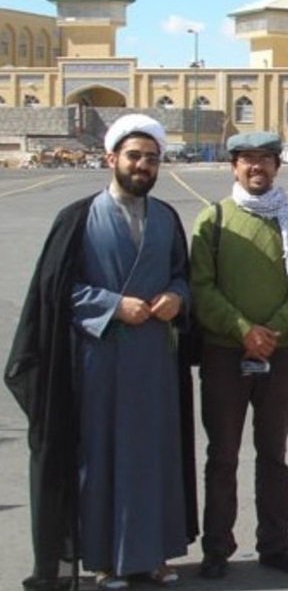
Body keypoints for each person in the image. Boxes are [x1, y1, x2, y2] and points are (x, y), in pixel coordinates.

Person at [5, 114, 198, 590]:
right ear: (112, 159)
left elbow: (182, 274)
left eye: (151, 158)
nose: (143, 165)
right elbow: (54, 291)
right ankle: (106, 559)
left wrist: (177, 296)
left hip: (153, 360)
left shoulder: (167, 218)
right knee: (103, 458)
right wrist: (112, 305)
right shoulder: (77, 217)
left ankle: (152, 555)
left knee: (154, 457)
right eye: (134, 156)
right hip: (99, 361)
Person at [190, 131, 288, 579]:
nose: (256, 168)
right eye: (247, 160)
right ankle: (217, 548)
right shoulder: (215, 221)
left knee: (273, 455)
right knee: (222, 455)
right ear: (234, 167)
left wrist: (275, 330)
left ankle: (275, 544)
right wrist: (243, 330)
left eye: (265, 159)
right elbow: (201, 287)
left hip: (278, 357)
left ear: (278, 166)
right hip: (225, 355)